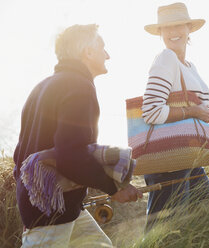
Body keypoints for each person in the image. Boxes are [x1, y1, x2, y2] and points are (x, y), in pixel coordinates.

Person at [13, 24, 143, 247]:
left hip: (58, 206)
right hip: (50, 210)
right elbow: (71, 155)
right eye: (102, 47)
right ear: (88, 52)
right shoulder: (79, 87)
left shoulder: (42, 86)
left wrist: (30, 200)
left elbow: (20, 156)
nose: (108, 55)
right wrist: (113, 189)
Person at [142, 2, 209, 232]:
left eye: (178, 26)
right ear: (160, 33)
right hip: (169, 160)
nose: (173, 32)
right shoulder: (166, 58)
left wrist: (202, 113)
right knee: (163, 233)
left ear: (189, 29)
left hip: (189, 157)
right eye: (166, 28)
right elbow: (151, 111)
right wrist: (194, 111)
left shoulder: (189, 66)